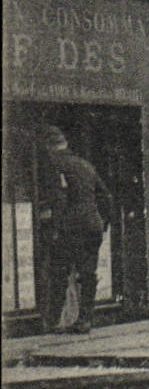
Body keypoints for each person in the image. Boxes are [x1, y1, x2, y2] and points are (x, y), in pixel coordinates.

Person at [38, 125, 112, 333]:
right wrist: (103, 222)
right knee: (88, 273)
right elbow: (106, 196)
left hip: (71, 228)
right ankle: (85, 320)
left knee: (59, 272)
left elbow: (59, 201)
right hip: (92, 226)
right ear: (65, 144)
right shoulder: (86, 165)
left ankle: (53, 322)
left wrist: (56, 229)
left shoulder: (55, 165)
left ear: (50, 147)